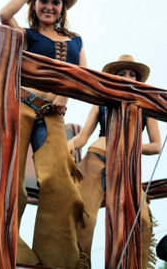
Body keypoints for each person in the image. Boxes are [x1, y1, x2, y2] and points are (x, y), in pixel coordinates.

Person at [0, 0, 89, 268]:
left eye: (56, 1)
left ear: (63, 8)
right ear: (34, 4)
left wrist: (65, 96)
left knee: (61, 185)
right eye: (44, 0)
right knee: (11, 183)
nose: (49, 6)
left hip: (52, 116)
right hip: (21, 108)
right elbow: (3, 14)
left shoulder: (76, 40)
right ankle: (8, 247)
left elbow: (83, 77)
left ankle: (58, 258)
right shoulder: (26, 34)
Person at [68, 54, 161, 268]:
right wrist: (68, 145)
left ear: (138, 80)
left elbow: (156, 146)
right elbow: (82, 139)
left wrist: (127, 147)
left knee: (142, 220)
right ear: (114, 77)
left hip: (126, 168)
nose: (127, 77)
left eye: (132, 74)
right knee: (84, 220)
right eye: (122, 73)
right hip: (95, 160)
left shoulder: (147, 108)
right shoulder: (101, 103)